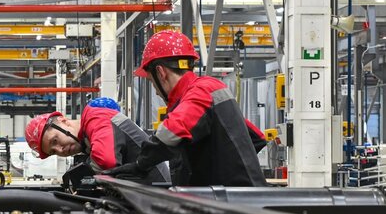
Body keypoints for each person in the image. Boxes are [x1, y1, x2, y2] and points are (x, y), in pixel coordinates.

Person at [105, 30, 267, 186]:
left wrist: (140, 165)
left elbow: (170, 134)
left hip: (232, 201)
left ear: (160, 72)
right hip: (229, 197)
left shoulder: (201, 91)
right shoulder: (209, 89)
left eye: (151, 81)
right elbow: (256, 138)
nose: (155, 91)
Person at [25, 106, 170, 184]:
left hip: (158, 196)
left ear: (64, 122)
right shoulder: (87, 142)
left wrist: (81, 175)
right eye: (53, 151)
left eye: (55, 141)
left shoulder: (95, 117)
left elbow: (107, 161)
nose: (60, 150)